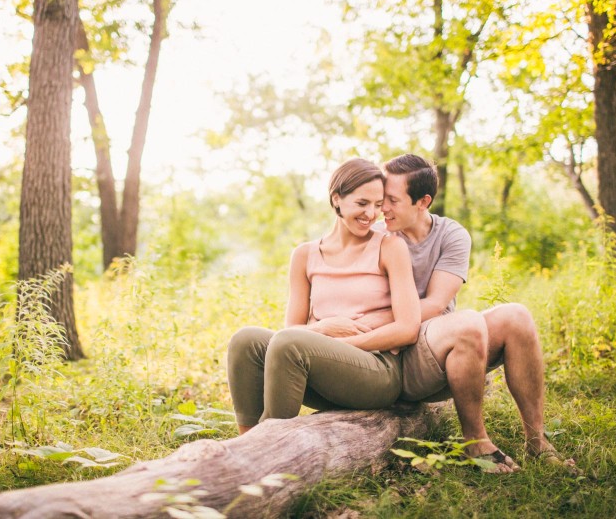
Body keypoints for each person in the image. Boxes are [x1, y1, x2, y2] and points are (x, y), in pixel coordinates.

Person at [366, 154, 572, 471]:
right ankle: (475, 442)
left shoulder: (451, 235)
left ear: (423, 201)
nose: (383, 209)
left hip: (442, 347)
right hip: (399, 355)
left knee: (516, 315)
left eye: (392, 200)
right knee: (465, 324)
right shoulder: (376, 237)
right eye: (382, 199)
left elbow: (436, 304)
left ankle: (538, 441)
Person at [226, 158, 421, 434]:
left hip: (376, 371)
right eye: (362, 203)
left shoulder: (390, 248)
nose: (371, 214)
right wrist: (322, 330)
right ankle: (244, 441)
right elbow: (292, 329)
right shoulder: (305, 254)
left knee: (291, 343)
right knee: (245, 340)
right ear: (337, 199)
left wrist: (346, 342)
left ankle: (269, 442)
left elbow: (408, 328)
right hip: (318, 369)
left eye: (378, 205)